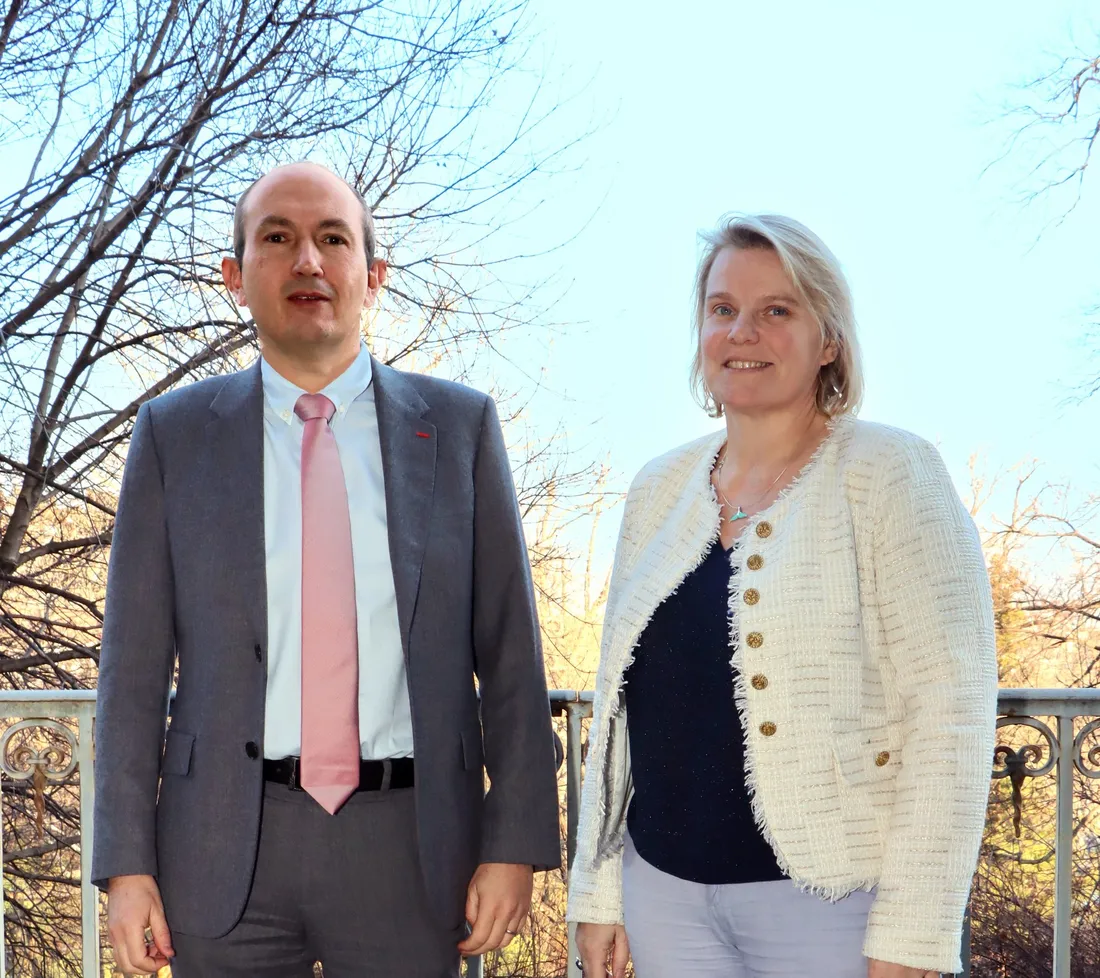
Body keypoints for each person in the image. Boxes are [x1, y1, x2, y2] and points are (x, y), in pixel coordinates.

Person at [92, 161, 561, 978]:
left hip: (413, 851)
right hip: (222, 850)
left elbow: (513, 659)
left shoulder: (459, 430)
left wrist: (514, 842)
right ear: (236, 277)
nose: (307, 260)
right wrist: (127, 867)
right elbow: (130, 674)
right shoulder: (173, 437)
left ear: (371, 277)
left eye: (332, 239)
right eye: (278, 238)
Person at [566, 214, 998, 978]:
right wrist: (599, 890)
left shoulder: (893, 472)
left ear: (828, 339)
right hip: (663, 899)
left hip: (833, 909)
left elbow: (950, 709)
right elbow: (619, 709)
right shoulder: (656, 488)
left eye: (777, 310)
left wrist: (915, 932)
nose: (744, 332)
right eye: (723, 309)